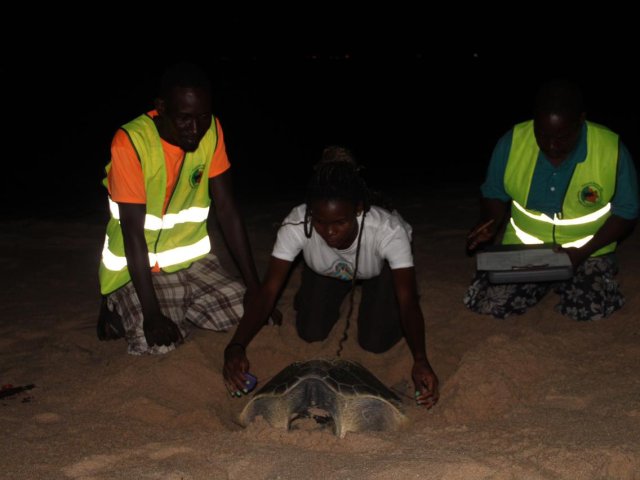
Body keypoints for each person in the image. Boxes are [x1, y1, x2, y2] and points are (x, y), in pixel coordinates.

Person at [223, 146, 439, 408]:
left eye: (340, 222)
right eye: (319, 221)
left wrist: (420, 359)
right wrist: (236, 346)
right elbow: (268, 291)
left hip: (378, 272)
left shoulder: (388, 230)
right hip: (324, 271)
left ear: (359, 209)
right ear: (309, 211)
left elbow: (407, 301)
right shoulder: (295, 224)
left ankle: (371, 296)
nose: (329, 232)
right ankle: (319, 291)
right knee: (310, 332)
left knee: (375, 342)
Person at [97, 62, 276, 354]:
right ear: (161, 107)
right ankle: (115, 303)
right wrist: (152, 313)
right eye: (184, 119)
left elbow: (228, 211)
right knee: (155, 345)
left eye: (203, 117)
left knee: (257, 318)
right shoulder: (130, 143)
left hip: (194, 266)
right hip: (140, 271)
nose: (196, 129)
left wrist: (256, 290)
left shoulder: (212, 131)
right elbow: (132, 233)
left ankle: (179, 311)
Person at [465, 79, 639, 321]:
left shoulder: (611, 148)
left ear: (581, 121)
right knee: (488, 303)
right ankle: (545, 284)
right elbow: (494, 193)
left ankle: (573, 283)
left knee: (589, 309)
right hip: (526, 250)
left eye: (563, 137)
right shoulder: (512, 141)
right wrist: (490, 222)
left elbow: (627, 211)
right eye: (542, 135)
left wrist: (580, 253)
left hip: (588, 253)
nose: (551, 145)